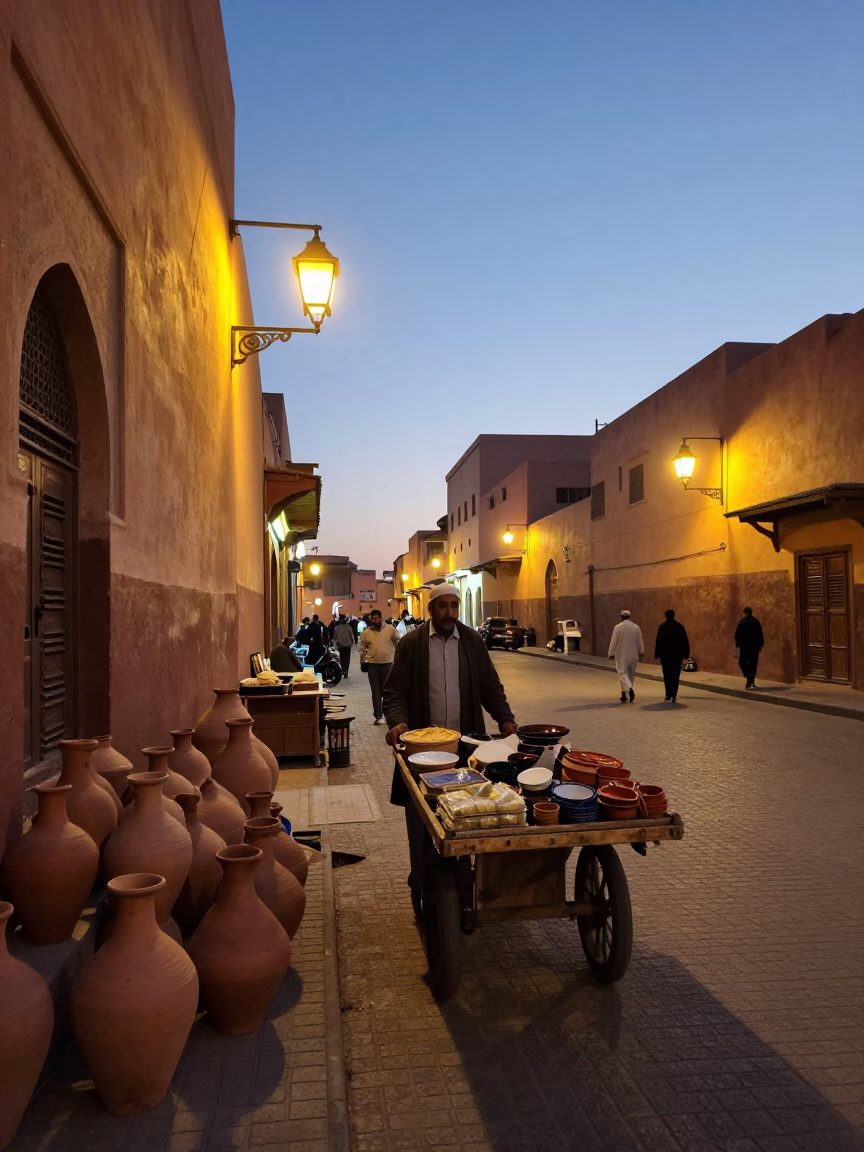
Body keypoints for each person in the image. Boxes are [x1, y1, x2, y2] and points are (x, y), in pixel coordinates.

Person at [384, 584, 517, 906]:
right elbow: (395, 691)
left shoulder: (471, 641)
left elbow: (490, 688)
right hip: (422, 753)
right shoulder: (413, 643)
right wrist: (397, 723)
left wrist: (507, 722)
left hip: (464, 753)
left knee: (467, 817)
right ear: (430, 610)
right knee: (422, 820)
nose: (449, 612)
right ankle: (420, 886)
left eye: (454, 606)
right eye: (442, 606)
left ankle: (463, 891)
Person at [358, 609, 400, 724]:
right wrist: (363, 660)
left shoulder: (390, 630)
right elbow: (362, 646)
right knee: (375, 691)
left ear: (381, 618)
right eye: (373, 618)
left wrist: (396, 659)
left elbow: (398, 643)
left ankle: (389, 714)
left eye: (376, 618)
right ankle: (378, 716)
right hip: (372, 665)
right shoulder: (367, 632)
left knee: (387, 691)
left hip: (387, 664)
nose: (374, 620)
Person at [653, 609, 690, 703]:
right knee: (675, 675)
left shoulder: (662, 627)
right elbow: (685, 640)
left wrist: (657, 654)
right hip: (677, 656)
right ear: (674, 616)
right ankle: (674, 695)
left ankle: (668, 694)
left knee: (667, 675)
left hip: (666, 656)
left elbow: (659, 641)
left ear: (665, 616)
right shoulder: (680, 627)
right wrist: (686, 654)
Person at [608, 609, 644, 702]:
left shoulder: (618, 627)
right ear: (629, 617)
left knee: (622, 673)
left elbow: (613, 641)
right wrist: (641, 652)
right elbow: (640, 641)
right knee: (630, 674)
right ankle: (624, 693)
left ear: (621, 617)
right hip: (634, 655)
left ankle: (629, 689)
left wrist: (611, 653)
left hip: (622, 655)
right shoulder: (636, 627)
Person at [734, 606, 764, 689]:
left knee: (742, 662)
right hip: (754, 648)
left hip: (745, 647)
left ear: (745, 613)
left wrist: (737, 645)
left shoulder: (742, 622)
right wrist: (760, 645)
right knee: (753, 665)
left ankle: (749, 679)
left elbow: (737, 634)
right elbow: (760, 634)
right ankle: (751, 681)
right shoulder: (756, 622)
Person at [333, 614, 355, 678]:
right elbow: (352, 636)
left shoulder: (337, 628)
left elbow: (335, 637)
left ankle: (342, 670)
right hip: (348, 645)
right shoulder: (349, 627)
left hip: (340, 645)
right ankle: (346, 671)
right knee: (347, 659)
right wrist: (352, 643)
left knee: (342, 658)